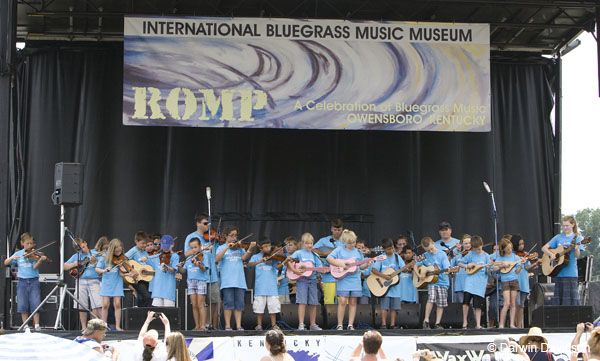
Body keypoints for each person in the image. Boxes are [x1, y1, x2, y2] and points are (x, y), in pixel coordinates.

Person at [327, 229, 373, 330]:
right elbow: (329, 258)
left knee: (353, 302)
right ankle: (339, 324)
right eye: (350, 242)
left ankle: (350, 325)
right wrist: (342, 264)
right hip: (343, 280)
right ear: (345, 242)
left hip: (355, 279)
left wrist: (367, 264)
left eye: (354, 242)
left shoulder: (358, 252)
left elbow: (361, 267)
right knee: (342, 301)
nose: (353, 244)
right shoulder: (339, 249)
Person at [4, 232, 48, 331]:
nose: (29, 246)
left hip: (33, 281)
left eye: (31, 243)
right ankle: (25, 325)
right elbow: (5, 262)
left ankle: (36, 325)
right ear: (22, 243)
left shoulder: (34, 254)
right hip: (22, 281)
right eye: (27, 243)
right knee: (22, 303)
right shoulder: (19, 254)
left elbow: (35, 267)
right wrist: (12, 258)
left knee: (35, 302)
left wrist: (40, 261)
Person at [215, 226, 256, 330]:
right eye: (231, 235)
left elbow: (244, 258)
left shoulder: (239, 247)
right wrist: (227, 247)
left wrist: (250, 249)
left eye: (235, 236)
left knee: (239, 304)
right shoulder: (220, 248)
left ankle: (238, 325)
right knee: (228, 303)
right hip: (227, 281)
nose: (234, 238)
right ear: (225, 236)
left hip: (239, 281)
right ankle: (227, 325)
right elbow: (217, 259)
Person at [184, 213, 219, 329]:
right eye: (205, 223)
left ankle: (209, 324)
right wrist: (202, 248)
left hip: (212, 273)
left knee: (213, 301)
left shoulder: (211, 236)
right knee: (198, 303)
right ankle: (200, 325)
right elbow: (186, 254)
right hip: (198, 275)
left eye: (208, 223)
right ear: (198, 224)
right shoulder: (191, 237)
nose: (207, 226)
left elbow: (217, 254)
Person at [541, 215, 585, 306]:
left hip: (571, 273)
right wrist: (552, 254)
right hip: (559, 273)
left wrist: (576, 249)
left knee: (571, 302)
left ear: (573, 225)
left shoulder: (577, 238)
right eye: (563, 225)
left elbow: (577, 255)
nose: (565, 228)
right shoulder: (558, 237)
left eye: (567, 225)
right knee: (559, 302)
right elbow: (544, 248)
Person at [63, 237, 102, 331]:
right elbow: (64, 266)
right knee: (81, 304)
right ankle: (83, 327)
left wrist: (95, 262)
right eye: (79, 249)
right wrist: (74, 264)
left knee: (97, 303)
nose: (82, 250)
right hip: (81, 281)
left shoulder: (95, 253)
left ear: (86, 243)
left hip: (94, 280)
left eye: (83, 247)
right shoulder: (76, 256)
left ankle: (92, 326)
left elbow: (102, 266)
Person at [289, 232, 325, 331]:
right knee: (302, 302)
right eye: (307, 243)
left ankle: (313, 324)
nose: (309, 245)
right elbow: (288, 261)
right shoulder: (298, 253)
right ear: (303, 243)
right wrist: (295, 270)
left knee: (313, 302)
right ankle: (301, 324)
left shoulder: (315, 255)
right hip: (302, 281)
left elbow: (319, 268)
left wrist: (324, 270)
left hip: (312, 280)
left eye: (311, 243)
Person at [248, 236, 283, 331]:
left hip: (272, 287)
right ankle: (259, 325)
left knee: (273, 308)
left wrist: (284, 262)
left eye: (269, 246)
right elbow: (249, 265)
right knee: (259, 307)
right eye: (266, 246)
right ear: (260, 247)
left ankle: (274, 325)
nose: (268, 248)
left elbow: (277, 267)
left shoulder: (273, 257)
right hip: (260, 287)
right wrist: (259, 261)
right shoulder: (256, 257)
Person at [416, 237, 450, 329]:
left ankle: (437, 323)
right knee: (431, 299)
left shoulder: (442, 254)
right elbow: (415, 265)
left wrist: (447, 271)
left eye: (431, 249)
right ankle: (426, 320)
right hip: (432, 282)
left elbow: (447, 268)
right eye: (428, 250)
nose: (430, 251)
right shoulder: (425, 255)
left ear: (433, 243)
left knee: (441, 303)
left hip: (443, 282)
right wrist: (419, 275)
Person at [457, 235, 490, 329]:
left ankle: (478, 324)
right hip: (469, 282)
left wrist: (489, 268)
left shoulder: (486, 256)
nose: (477, 250)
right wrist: (467, 266)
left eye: (479, 248)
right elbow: (459, 263)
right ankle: (464, 322)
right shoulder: (471, 254)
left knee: (478, 305)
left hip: (480, 284)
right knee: (466, 302)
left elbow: (488, 271)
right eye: (475, 248)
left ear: (482, 245)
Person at [95, 238, 128, 331]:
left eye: (120, 251)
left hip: (117, 282)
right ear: (112, 250)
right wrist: (104, 270)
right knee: (105, 304)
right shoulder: (104, 257)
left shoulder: (121, 258)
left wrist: (127, 273)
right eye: (117, 251)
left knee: (117, 304)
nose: (118, 253)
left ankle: (117, 326)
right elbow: (97, 269)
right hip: (107, 283)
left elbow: (120, 273)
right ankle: (103, 326)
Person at [371, 238, 404, 329]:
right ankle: (383, 324)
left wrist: (410, 265)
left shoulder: (397, 257)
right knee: (384, 306)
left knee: (394, 307)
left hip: (395, 287)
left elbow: (403, 268)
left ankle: (392, 324)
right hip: (384, 286)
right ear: (384, 249)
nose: (391, 250)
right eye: (389, 249)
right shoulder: (381, 258)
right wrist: (384, 276)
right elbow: (374, 270)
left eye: (392, 248)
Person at [493, 237, 525, 328]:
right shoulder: (500, 258)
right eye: (508, 249)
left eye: (511, 248)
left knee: (513, 303)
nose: (510, 250)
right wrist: (502, 265)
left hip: (514, 280)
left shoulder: (515, 257)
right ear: (503, 249)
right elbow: (494, 268)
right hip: (505, 281)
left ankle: (512, 324)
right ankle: (501, 324)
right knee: (506, 303)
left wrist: (522, 264)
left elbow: (517, 271)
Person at [177, 237, 208, 331]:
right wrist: (180, 267)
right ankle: (197, 325)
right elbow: (183, 271)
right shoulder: (189, 258)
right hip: (190, 281)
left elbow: (204, 269)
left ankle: (203, 326)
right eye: (192, 247)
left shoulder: (203, 256)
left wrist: (198, 264)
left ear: (200, 247)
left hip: (201, 281)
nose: (194, 249)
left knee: (200, 304)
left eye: (195, 247)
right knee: (194, 304)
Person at [313, 219, 344, 304]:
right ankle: (330, 317)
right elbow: (313, 250)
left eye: (339, 230)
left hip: (343, 277)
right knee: (329, 301)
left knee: (343, 301)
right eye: (335, 230)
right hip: (328, 276)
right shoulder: (324, 240)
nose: (337, 232)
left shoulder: (345, 241)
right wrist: (325, 253)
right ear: (331, 229)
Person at [512, 234, 539, 328]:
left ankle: (520, 325)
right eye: (520, 244)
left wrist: (534, 264)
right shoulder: (512, 255)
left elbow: (527, 267)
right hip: (515, 281)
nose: (522, 246)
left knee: (521, 305)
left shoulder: (525, 255)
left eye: (523, 244)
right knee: (516, 304)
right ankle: (514, 324)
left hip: (523, 281)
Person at [148, 235, 180, 307]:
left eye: (167, 246)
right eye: (164, 246)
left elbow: (173, 270)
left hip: (168, 290)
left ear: (172, 244)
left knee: (168, 313)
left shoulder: (175, 256)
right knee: (157, 312)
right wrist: (144, 257)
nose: (165, 249)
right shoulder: (157, 256)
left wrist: (167, 267)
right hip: (157, 290)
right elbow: (147, 259)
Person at [126, 231, 152, 307]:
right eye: (143, 243)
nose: (145, 245)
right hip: (136, 278)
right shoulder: (133, 251)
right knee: (147, 296)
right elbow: (123, 260)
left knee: (141, 297)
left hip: (143, 278)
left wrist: (154, 272)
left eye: (145, 244)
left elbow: (147, 267)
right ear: (136, 242)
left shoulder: (144, 252)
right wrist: (132, 270)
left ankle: (140, 313)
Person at [451, 235, 471, 304]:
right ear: (462, 244)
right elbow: (451, 267)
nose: (468, 245)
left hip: (471, 284)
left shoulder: (474, 255)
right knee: (462, 305)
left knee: (471, 306)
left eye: (470, 243)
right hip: (460, 284)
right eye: (466, 243)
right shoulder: (458, 256)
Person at [277, 237, 297, 305]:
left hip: (295, 287)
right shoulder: (281, 256)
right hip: (283, 286)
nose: (288, 247)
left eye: (290, 245)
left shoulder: (298, 256)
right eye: (286, 245)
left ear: (295, 246)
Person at [356, 240, 372, 305]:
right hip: (354, 288)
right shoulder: (353, 259)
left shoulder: (369, 260)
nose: (361, 250)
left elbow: (372, 273)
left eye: (362, 248)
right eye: (358, 248)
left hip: (365, 289)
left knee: (364, 308)